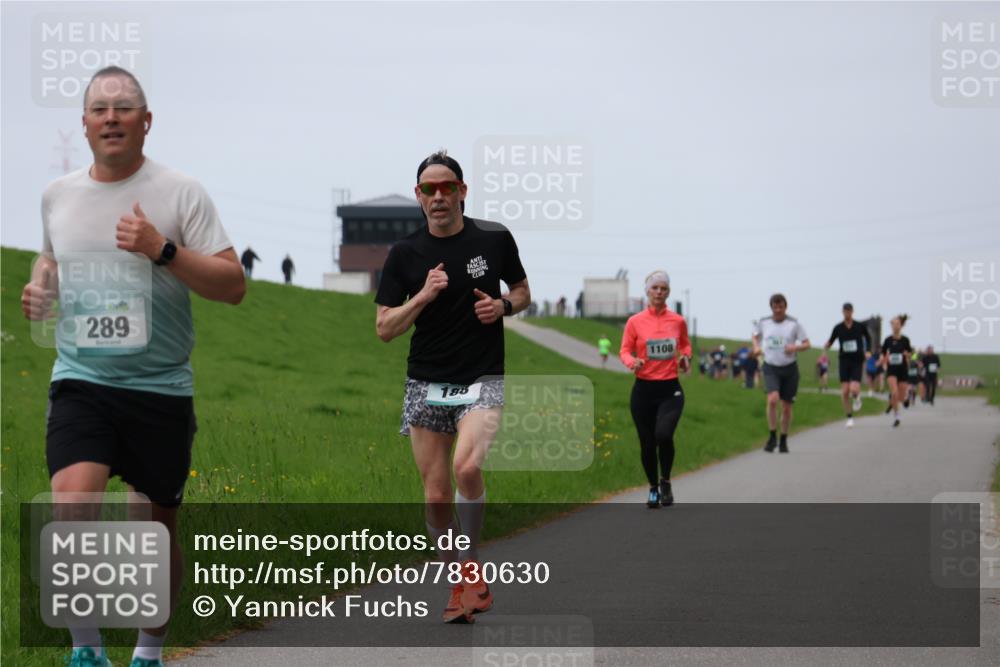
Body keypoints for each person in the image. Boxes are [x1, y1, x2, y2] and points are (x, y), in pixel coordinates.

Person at [20, 66, 245, 667]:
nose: (111, 117)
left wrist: (161, 250)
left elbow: (232, 286)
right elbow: (50, 260)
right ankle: (86, 651)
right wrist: (40, 288)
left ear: (148, 122)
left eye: (124, 108)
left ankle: (148, 652)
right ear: (86, 124)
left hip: (160, 387)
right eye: (99, 109)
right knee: (71, 508)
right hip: (81, 380)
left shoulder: (181, 192)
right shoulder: (57, 196)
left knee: (151, 532)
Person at [374, 150, 529, 623]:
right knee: (436, 496)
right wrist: (423, 294)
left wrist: (503, 307)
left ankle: (470, 567)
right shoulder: (404, 254)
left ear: (463, 191)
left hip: (482, 378)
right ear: (419, 198)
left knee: (466, 469)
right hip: (426, 382)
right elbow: (384, 327)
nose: (438, 196)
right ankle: (462, 578)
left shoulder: (495, 238)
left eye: (447, 187)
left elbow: (522, 291)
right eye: (428, 189)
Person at [619, 271, 692, 508]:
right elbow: (624, 351)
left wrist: (685, 359)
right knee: (647, 443)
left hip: (670, 389)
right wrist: (633, 362)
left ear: (668, 292)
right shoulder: (635, 321)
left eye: (664, 288)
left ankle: (666, 480)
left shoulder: (678, 321)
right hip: (643, 391)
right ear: (647, 291)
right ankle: (653, 488)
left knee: (664, 435)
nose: (659, 292)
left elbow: (686, 346)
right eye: (655, 288)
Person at [752, 294, 810, 453]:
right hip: (770, 366)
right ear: (771, 307)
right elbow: (755, 336)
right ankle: (772, 436)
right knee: (772, 400)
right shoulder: (764, 322)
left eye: (781, 307)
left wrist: (795, 348)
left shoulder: (794, 324)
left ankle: (783, 439)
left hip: (790, 368)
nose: (778, 310)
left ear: (786, 307)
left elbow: (807, 343)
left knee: (786, 407)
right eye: (775, 307)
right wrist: (756, 347)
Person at [824, 302, 873, 428]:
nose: (847, 313)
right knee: (845, 391)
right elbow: (831, 340)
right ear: (843, 312)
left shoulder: (859, 326)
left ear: (852, 312)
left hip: (857, 360)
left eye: (849, 311)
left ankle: (857, 397)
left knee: (854, 388)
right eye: (845, 311)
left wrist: (868, 351)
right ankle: (849, 417)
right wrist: (827, 345)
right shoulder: (838, 327)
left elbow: (868, 338)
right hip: (844, 360)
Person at [880, 314, 913, 428]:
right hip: (891, 370)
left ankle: (900, 400)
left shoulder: (905, 340)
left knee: (900, 397)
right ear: (891, 326)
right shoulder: (887, 340)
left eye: (897, 324)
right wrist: (883, 361)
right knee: (894, 393)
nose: (895, 326)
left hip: (902, 369)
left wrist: (908, 354)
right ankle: (897, 417)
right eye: (893, 324)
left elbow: (911, 355)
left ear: (901, 326)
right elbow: (883, 354)